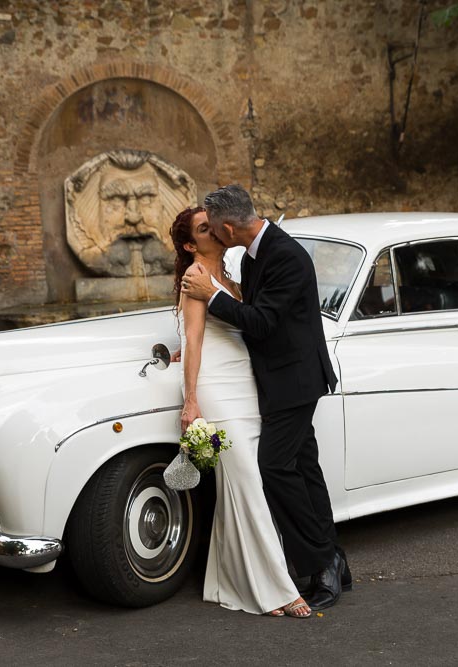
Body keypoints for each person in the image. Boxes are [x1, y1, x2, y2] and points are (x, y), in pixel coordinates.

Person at [181, 185, 350, 610]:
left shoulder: (285, 255)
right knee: (303, 467)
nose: (216, 237)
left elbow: (262, 322)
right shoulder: (254, 254)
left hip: (295, 380)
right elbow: (218, 327)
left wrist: (214, 296)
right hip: (270, 381)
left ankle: (320, 560)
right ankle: (333, 559)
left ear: (227, 227)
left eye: (214, 229)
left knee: (275, 467)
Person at [172, 206, 311, 618]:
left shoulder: (232, 279)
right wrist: (191, 398)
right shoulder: (194, 277)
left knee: (242, 485)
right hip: (215, 390)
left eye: (211, 224)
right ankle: (276, 590)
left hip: (247, 386)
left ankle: (228, 581)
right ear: (189, 244)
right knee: (248, 479)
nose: (211, 230)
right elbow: (195, 339)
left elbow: (248, 326)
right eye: (202, 228)